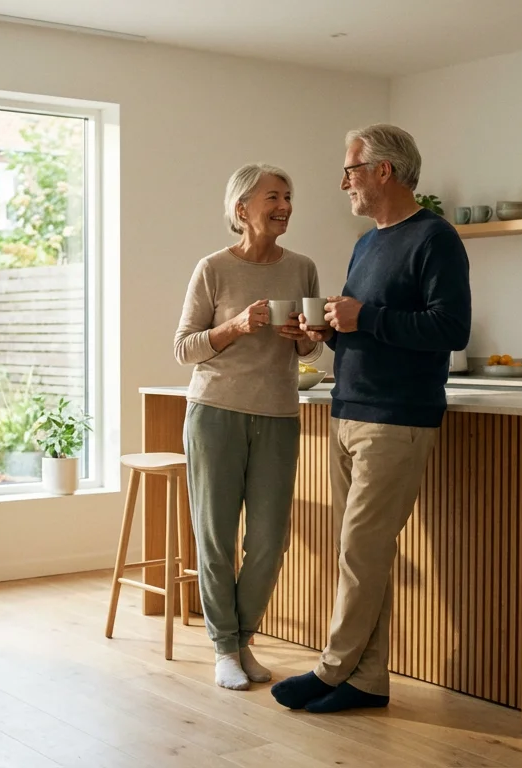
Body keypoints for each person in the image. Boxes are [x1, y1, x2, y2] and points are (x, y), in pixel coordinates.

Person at [270, 124, 471, 713]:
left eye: (351, 170)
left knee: (361, 551)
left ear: (383, 171)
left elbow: (449, 330)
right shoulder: (366, 243)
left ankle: (332, 671)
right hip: (350, 409)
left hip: (397, 418)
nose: (344, 182)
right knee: (362, 554)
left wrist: (367, 317)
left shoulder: (436, 238)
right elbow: (367, 330)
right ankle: (368, 680)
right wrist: (328, 331)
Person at [173, 163, 322, 691]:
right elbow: (183, 348)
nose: (283, 206)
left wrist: (305, 334)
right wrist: (237, 325)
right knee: (216, 537)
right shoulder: (212, 268)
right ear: (242, 210)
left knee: (268, 541)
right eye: (272, 198)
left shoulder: (302, 267)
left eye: (288, 196)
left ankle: (244, 638)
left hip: (279, 414)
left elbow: (312, 345)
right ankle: (225, 649)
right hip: (215, 412)